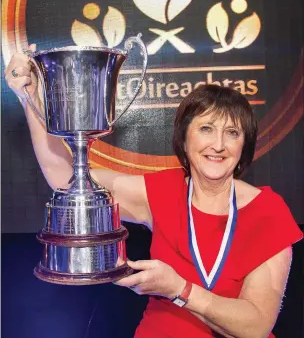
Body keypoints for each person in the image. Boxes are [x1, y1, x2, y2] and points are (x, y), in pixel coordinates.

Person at [5, 46, 303, 338]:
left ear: (244, 145)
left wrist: (179, 289)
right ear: (184, 141)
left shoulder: (268, 212)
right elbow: (66, 178)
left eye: (232, 133)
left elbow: (256, 327)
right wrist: (31, 98)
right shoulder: (161, 191)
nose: (219, 145)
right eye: (206, 129)